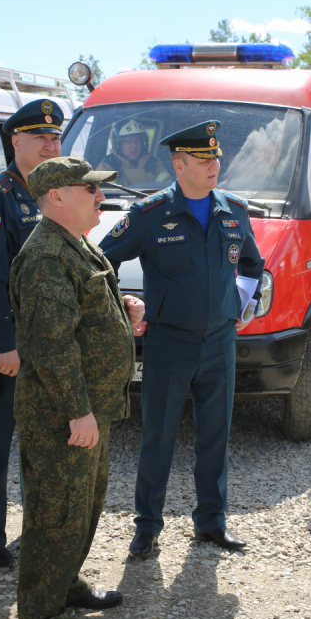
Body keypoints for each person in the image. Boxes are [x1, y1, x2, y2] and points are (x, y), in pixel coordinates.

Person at [100, 120, 264, 557]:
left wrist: (242, 303)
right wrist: (124, 306)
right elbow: (99, 263)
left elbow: (252, 263)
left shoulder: (233, 210)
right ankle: (147, 527)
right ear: (178, 164)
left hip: (220, 343)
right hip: (169, 344)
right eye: (203, 159)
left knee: (215, 435)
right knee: (158, 435)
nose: (213, 166)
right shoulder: (151, 214)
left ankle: (211, 522)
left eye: (215, 159)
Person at [10, 157, 147, 619]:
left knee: (82, 507)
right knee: (56, 516)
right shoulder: (48, 254)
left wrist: (122, 311)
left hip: (91, 407)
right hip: (63, 414)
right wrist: (77, 411)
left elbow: (80, 319)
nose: (99, 196)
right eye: (88, 189)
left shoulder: (75, 244)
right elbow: (51, 345)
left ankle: (64, 586)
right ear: (57, 197)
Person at [0, 98, 64, 566]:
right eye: (40, 137)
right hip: (15, 345)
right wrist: (3, 344)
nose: (50, 144)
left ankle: (40, 528)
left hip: (52, 342)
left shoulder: (58, 192)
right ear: (16, 140)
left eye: (56, 137)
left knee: (43, 440)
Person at [95, 119, 170, 185]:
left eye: (137, 140)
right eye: (128, 141)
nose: (134, 146)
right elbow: (106, 196)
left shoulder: (154, 163)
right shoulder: (107, 166)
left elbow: (167, 187)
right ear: (118, 144)